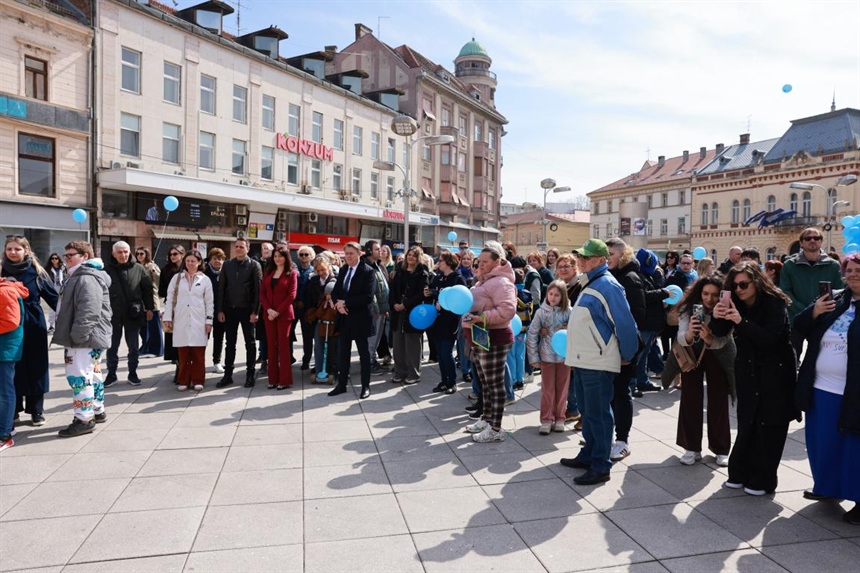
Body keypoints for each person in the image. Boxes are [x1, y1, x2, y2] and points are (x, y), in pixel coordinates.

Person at [711, 261, 800, 496]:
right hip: (748, 369)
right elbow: (719, 332)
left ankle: (763, 479)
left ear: (757, 282)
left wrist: (741, 321)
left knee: (770, 424)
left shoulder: (774, 302)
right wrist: (716, 316)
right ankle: (739, 473)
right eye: (734, 285)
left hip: (776, 371)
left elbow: (770, 339)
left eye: (744, 284)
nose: (738, 289)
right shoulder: (735, 302)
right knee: (747, 420)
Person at [560, 239, 639, 485]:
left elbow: (625, 325)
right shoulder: (591, 281)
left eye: (587, 257)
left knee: (599, 414)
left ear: (601, 260)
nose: (581, 260)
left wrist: (627, 355)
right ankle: (589, 454)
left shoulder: (608, 285)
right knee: (588, 411)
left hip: (597, 361)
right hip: (585, 359)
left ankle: (601, 465)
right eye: (580, 256)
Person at [793, 253, 860, 525]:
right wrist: (814, 311)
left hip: (853, 391)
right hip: (822, 387)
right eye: (849, 270)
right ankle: (827, 486)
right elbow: (799, 326)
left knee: (853, 447)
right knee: (824, 442)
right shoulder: (835, 299)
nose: (853, 274)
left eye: (858, 270)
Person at [51, 241, 112, 437]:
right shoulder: (82, 274)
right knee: (92, 373)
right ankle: (97, 410)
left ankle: (84, 419)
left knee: (79, 377)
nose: (66, 259)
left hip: (84, 338)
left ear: (85, 256)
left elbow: (89, 310)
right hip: (89, 337)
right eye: (65, 255)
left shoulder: (86, 276)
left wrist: (77, 336)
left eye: (71, 255)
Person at [675, 274, 735, 467]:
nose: (710, 299)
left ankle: (721, 449)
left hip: (718, 354)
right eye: (706, 294)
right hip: (692, 355)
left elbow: (724, 340)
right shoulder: (688, 308)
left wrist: (708, 336)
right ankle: (691, 447)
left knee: (718, 400)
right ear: (699, 293)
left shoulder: (726, 309)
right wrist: (690, 333)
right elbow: (681, 337)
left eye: (716, 294)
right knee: (690, 399)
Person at [2, 237, 59, 426]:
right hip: (8, 327)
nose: (13, 252)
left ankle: (36, 410)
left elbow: (54, 299)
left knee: (36, 367)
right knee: (11, 368)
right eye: (9, 249)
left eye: (17, 249)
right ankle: (12, 410)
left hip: (34, 324)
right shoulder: (1, 270)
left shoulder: (37, 272)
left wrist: (68, 320)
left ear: (26, 250)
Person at [462, 246, 517, 443]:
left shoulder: (502, 282)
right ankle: (486, 419)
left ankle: (496, 428)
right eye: (480, 261)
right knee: (485, 383)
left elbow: (508, 310)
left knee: (494, 385)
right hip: (480, 338)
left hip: (494, 338)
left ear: (497, 262)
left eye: (485, 262)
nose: (481, 264)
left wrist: (482, 317)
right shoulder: (483, 280)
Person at [605, 238, 647, 462]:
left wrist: (626, 352)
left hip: (624, 349)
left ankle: (622, 441)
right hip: (609, 347)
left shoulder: (630, 278)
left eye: (611, 254)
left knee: (621, 393)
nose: (607, 258)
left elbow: (636, 317)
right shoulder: (611, 275)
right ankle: (609, 437)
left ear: (623, 255)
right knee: (611, 394)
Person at [780, 228, 844, 359]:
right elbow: (785, 292)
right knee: (791, 360)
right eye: (808, 238)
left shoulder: (833, 265)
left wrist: (822, 312)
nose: (813, 240)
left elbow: (839, 291)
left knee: (821, 360)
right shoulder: (789, 265)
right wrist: (807, 312)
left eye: (817, 238)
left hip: (823, 320)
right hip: (796, 320)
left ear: (821, 242)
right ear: (801, 243)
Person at [328, 242, 377, 399]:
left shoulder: (368, 271)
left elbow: (368, 296)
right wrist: (338, 304)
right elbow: (336, 291)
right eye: (346, 253)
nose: (348, 256)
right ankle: (341, 385)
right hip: (344, 318)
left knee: (363, 354)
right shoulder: (343, 270)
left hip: (360, 318)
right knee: (343, 353)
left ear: (359, 254)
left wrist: (346, 303)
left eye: (351, 253)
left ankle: (365, 386)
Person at [104, 241, 154, 387]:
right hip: (113, 314)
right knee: (112, 346)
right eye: (119, 252)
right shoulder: (106, 270)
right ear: (113, 254)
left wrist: (149, 308)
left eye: (125, 251)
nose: (123, 255)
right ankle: (111, 374)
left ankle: (133, 373)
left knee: (133, 346)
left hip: (133, 313)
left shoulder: (138, 268)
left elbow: (147, 289)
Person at [163, 250, 213, 391]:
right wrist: (168, 317)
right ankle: (183, 380)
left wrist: (209, 321)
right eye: (188, 261)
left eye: (193, 261)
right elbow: (169, 299)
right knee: (183, 353)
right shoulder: (177, 278)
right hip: (181, 319)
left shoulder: (205, 280)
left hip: (199, 320)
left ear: (199, 262)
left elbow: (209, 303)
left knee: (198, 354)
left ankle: (198, 380)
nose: (190, 264)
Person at [216, 238, 262, 388]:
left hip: (247, 310)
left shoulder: (254, 265)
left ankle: (250, 374)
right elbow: (221, 288)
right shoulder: (227, 265)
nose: (238, 249)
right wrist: (220, 310)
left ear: (248, 248)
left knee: (250, 343)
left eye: (241, 247)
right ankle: (228, 375)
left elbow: (258, 290)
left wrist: (255, 311)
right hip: (230, 309)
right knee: (230, 343)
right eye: (236, 246)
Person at [526, 279, 571, 435]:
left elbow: (578, 332)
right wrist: (533, 357)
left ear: (563, 296)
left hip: (564, 357)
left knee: (562, 389)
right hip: (546, 356)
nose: (553, 297)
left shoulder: (569, 312)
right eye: (550, 294)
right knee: (547, 390)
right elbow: (532, 334)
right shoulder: (541, 312)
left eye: (557, 295)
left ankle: (560, 418)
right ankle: (546, 419)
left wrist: (569, 328)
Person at [389, 246, 432, 385]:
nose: (411, 257)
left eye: (414, 255)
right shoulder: (399, 271)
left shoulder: (422, 273)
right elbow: (392, 290)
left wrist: (405, 304)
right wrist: (394, 304)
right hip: (397, 312)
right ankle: (399, 372)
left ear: (418, 257)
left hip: (413, 313)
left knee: (412, 344)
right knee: (398, 344)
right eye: (409, 255)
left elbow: (421, 294)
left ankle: (414, 373)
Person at [426, 250, 467, 394]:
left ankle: (452, 382)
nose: (438, 263)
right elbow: (435, 293)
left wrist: (444, 304)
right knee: (440, 353)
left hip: (450, 321)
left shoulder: (457, 279)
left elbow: (460, 299)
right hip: (437, 320)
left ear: (448, 262)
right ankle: (444, 381)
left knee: (446, 352)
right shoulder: (438, 278)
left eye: (441, 260)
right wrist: (429, 293)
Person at [260, 245, 298, 390]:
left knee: (283, 347)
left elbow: (291, 296)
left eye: (280, 256)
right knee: (271, 346)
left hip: (284, 315)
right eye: (275, 256)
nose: (277, 259)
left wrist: (277, 312)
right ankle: (273, 379)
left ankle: (285, 380)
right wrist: (269, 310)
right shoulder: (268, 272)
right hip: (268, 315)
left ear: (286, 257)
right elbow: (262, 293)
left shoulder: (292, 273)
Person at [555, 253, 583, 427]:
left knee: (576, 375)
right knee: (569, 374)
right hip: (562, 336)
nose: (563, 269)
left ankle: (578, 411)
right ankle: (573, 408)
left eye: (567, 266)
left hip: (577, 335)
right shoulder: (560, 286)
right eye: (560, 267)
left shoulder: (580, 285)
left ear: (575, 267)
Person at [0, 277, 28, 451]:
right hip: (4, 348)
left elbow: (11, 322)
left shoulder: (5, 291)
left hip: (5, 349)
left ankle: (4, 435)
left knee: (4, 392)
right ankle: (6, 427)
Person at [304, 258, 338, 383]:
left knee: (333, 345)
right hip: (319, 316)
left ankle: (334, 369)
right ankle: (320, 369)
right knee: (318, 344)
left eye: (323, 270)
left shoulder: (335, 280)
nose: (321, 273)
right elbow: (309, 299)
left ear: (328, 267)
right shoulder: (313, 281)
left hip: (333, 317)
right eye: (318, 271)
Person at [363, 240, 391, 376]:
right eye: (377, 249)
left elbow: (382, 287)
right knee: (371, 339)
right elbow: (370, 291)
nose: (380, 251)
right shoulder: (366, 267)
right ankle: (369, 364)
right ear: (369, 251)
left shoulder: (378, 265)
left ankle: (372, 361)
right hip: (374, 311)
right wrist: (375, 309)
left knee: (377, 339)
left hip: (381, 309)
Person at [159, 245, 185, 383]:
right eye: (170, 254)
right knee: (173, 340)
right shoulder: (166, 270)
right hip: (172, 307)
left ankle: (184, 369)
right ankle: (178, 367)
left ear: (182, 254)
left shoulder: (188, 268)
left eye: (175, 254)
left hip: (187, 308)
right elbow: (162, 290)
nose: (172, 256)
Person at [135, 247, 163, 358]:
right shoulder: (137, 266)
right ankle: (146, 346)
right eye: (137, 254)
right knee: (144, 328)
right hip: (140, 301)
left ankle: (157, 349)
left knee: (154, 326)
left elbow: (159, 281)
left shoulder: (152, 266)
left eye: (142, 253)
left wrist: (153, 271)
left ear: (147, 254)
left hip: (152, 299)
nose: (139, 256)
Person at [293, 245, 316, 370]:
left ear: (311, 257)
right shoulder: (294, 270)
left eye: (306, 254)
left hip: (307, 309)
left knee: (307, 336)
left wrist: (305, 303)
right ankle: (289, 357)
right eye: (301, 255)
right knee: (289, 334)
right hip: (294, 307)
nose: (304, 257)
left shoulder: (313, 272)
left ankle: (306, 360)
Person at [205, 248, 226, 373]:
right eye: (214, 259)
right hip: (205, 310)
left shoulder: (226, 271)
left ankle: (217, 362)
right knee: (203, 338)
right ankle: (199, 361)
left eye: (220, 259)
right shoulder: (204, 271)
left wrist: (221, 310)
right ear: (210, 260)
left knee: (219, 337)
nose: (217, 261)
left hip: (220, 310)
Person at [255, 242, 273, 374]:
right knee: (262, 336)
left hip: (273, 305)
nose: (264, 250)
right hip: (261, 304)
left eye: (267, 248)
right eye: (262, 248)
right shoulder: (257, 263)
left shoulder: (275, 264)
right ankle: (263, 359)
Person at [45, 253, 65, 332]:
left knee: (62, 306)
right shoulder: (48, 268)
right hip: (53, 287)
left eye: (56, 258)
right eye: (52, 258)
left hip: (62, 287)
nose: (54, 260)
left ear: (59, 259)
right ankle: (51, 325)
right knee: (52, 306)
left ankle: (61, 325)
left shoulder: (63, 267)